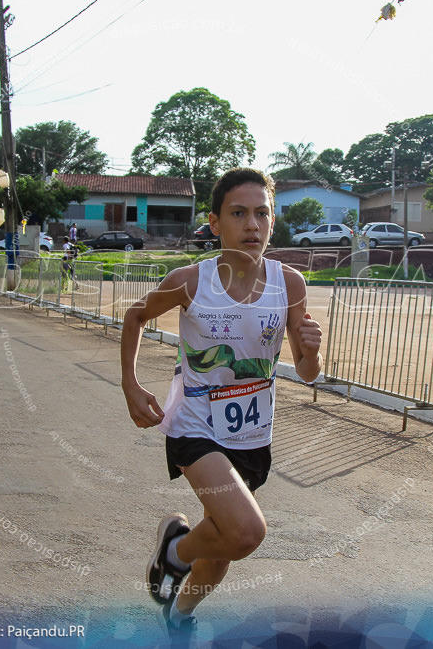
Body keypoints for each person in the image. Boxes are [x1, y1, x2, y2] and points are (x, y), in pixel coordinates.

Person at [121, 168, 323, 636]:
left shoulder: (289, 284)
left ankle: (180, 615)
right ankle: (173, 554)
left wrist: (310, 352)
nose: (252, 225)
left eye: (262, 213)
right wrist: (130, 384)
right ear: (215, 224)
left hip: (253, 437)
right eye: (238, 213)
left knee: (221, 552)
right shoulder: (190, 281)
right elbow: (135, 316)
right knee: (246, 532)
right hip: (195, 428)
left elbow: (307, 372)